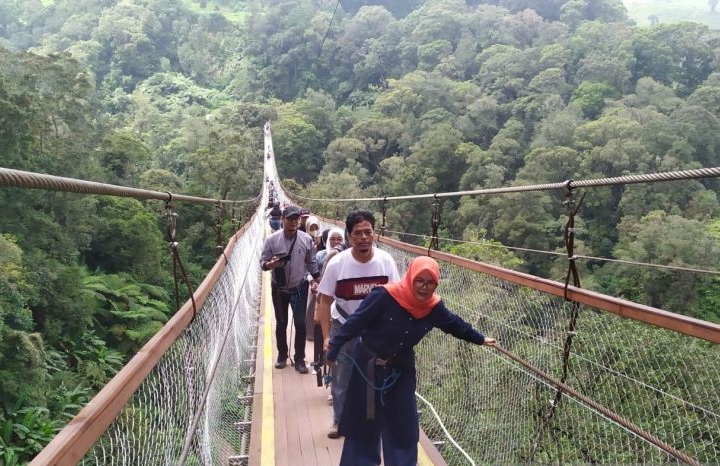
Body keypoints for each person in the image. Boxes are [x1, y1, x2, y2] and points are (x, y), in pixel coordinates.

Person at [327, 256, 497, 465]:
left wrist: (480, 338)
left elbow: (454, 324)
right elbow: (355, 322)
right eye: (420, 280)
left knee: (404, 426)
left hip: (401, 369)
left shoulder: (433, 307)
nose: (424, 287)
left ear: (436, 284)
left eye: (430, 282)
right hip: (368, 365)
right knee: (364, 423)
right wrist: (333, 350)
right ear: (410, 277)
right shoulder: (384, 295)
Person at [316, 210, 400, 439]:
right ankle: (339, 421)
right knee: (341, 375)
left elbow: (397, 297)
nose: (363, 237)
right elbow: (323, 301)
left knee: (377, 374)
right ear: (349, 237)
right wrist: (326, 337)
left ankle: (374, 422)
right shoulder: (337, 264)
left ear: (374, 234)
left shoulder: (385, 261)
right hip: (343, 325)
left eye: (368, 232)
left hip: (375, 329)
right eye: (357, 233)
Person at [260, 206, 320, 373]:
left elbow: (312, 262)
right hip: (279, 289)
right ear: (283, 219)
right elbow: (262, 263)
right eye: (291, 218)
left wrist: (319, 281)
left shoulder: (306, 239)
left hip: (299, 287)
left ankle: (300, 358)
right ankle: (282, 355)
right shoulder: (272, 240)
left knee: (300, 324)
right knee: (281, 323)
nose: (294, 222)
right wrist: (270, 264)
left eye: (297, 219)